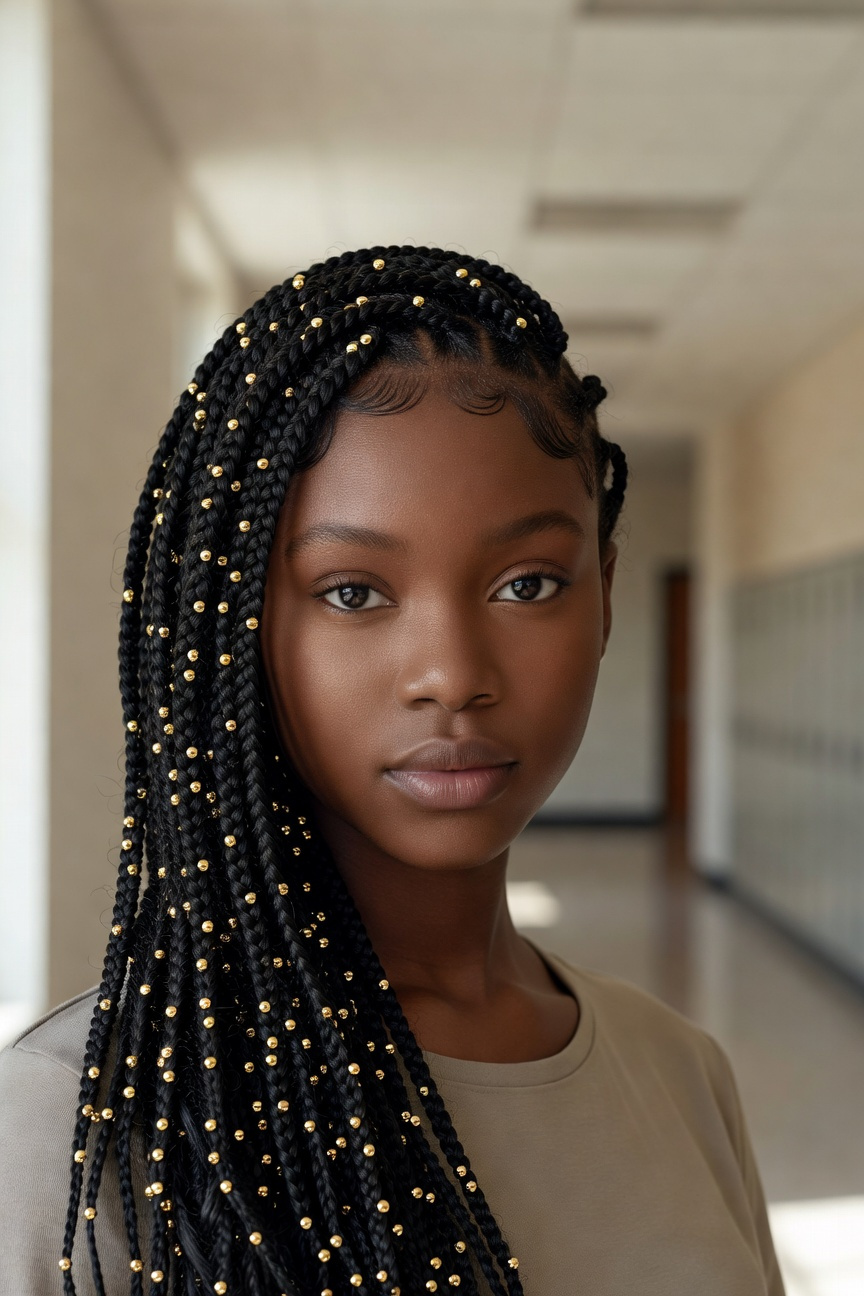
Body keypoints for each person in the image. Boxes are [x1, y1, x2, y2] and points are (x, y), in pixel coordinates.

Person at [0, 246, 784, 1296]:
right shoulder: (77, 1125)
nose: (453, 677)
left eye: (529, 582)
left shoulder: (683, 1074)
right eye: (354, 593)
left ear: (605, 590)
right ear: (230, 624)